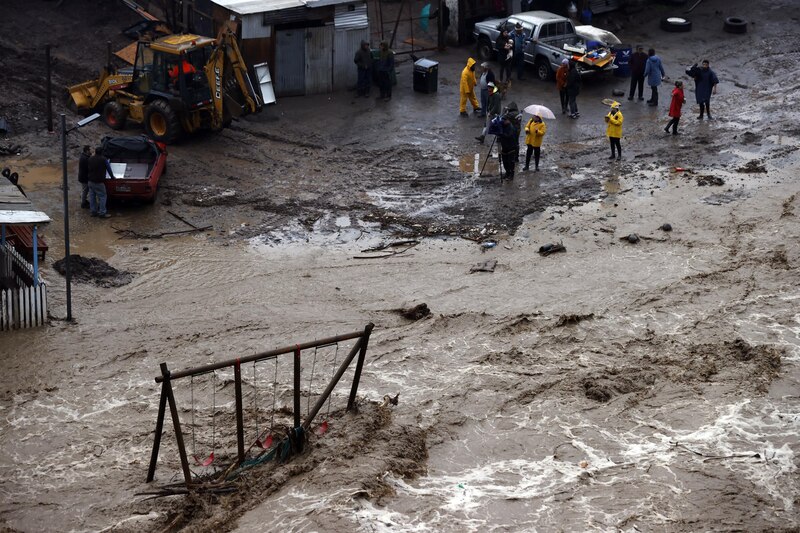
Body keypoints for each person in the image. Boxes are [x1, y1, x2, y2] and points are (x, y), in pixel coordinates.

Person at [87, 147, 116, 218]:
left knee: (92, 197)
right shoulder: (103, 159)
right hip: (99, 182)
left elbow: (87, 168)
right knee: (103, 196)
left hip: (90, 181)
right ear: (102, 153)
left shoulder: (90, 158)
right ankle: (102, 213)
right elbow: (109, 169)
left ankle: (93, 212)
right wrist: (112, 177)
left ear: (96, 152)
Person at [78, 145, 91, 209]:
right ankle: (83, 203)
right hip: (84, 177)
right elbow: (89, 168)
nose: (91, 151)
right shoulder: (85, 158)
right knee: (85, 191)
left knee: (84, 190)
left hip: (82, 176)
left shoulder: (83, 156)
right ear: (87, 151)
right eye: (90, 150)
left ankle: (84, 201)